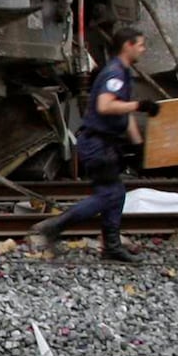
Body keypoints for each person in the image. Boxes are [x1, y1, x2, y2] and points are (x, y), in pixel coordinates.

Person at [29, 27, 160, 263]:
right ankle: (56, 226)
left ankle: (111, 247)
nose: (144, 49)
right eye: (140, 44)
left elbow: (123, 112)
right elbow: (105, 106)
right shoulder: (115, 73)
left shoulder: (121, 72)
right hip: (97, 144)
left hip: (104, 143)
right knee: (110, 193)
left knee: (116, 193)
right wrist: (140, 106)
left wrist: (139, 145)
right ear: (127, 46)